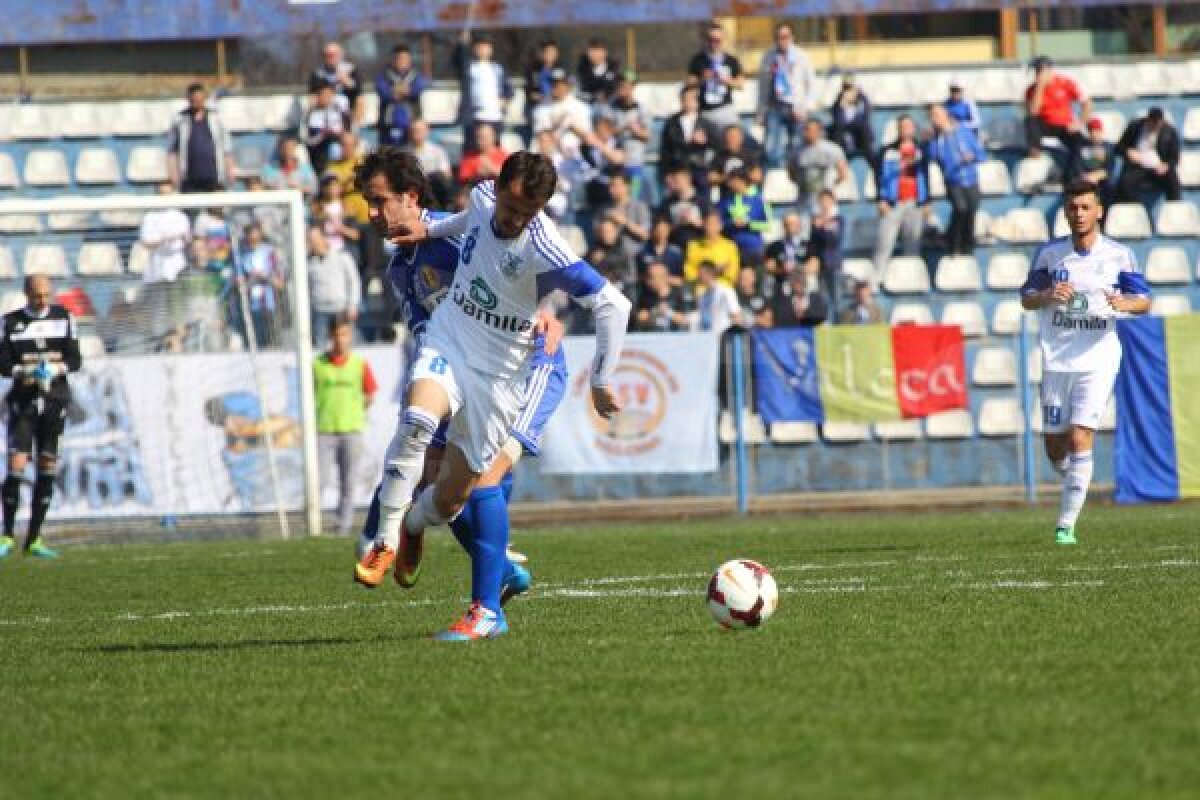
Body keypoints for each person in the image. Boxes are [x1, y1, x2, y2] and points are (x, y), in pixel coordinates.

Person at [360, 152, 631, 640]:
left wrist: (600, 380)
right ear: (497, 188)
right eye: (510, 207)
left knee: (463, 492)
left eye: (526, 214)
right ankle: (389, 540)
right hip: (451, 344)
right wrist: (429, 233)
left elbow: (612, 302)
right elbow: (471, 220)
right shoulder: (481, 199)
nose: (513, 220)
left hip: (514, 374)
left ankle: (429, 535)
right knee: (418, 421)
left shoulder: (545, 244)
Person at [1019, 179, 1150, 545]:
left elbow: (1143, 299)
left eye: (1085, 207)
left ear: (1099, 211)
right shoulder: (1050, 255)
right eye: (1073, 208)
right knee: (1055, 446)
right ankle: (1072, 477)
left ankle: (1066, 525)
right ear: (1065, 211)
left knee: (1081, 436)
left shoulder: (1118, 255)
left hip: (1099, 357)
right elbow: (1026, 298)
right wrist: (1046, 294)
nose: (1079, 214)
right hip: (1057, 359)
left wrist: (1127, 304)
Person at [0, 275, 82, 559]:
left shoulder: (65, 318)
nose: (43, 300)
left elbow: (75, 361)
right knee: (16, 463)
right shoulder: (10, 322)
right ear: (26, 294)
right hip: (23, 401)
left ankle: (34, 538)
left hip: (54, 400)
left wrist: (55, 369)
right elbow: (4, 365)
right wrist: (28, 372)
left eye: (47, 295)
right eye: (37, 295)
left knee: (47, 463)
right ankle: (7, 535)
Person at [313, 316, 377, 535]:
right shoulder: (317, 364)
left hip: (351, 430)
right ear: (331, 337)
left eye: (344, 334)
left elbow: (370, 393)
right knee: (319, 479)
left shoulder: (359, 364)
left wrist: (355, 410)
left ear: (349, 337)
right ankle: (315, 523)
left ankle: (343, 526)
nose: (340, 340)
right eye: (337, 335)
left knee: (348, 480)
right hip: (324, 429)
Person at [874, 115, 930, 282]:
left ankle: (910, 280)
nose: (906, 129)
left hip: (915, 202)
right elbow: (878, 176)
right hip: (893, 203)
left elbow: (926, 176)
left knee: (913, 244)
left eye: (909, 126)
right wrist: (880, 198)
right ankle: (877, 279)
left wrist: (927, 200)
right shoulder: (887, 151)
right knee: (884, 242)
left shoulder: (921, 150)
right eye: (902, 126)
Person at [926, 103, 986, 256]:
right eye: (932, 116)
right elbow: (933, 157)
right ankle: (953, 242)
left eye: (937, 115)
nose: (935, 119)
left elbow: (980, 154)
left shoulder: (963, 131)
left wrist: (971, 156)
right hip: (953, 180)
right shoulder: (936, 139)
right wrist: (933, 138)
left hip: (970, 179)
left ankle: (967, 246)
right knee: (960, 208)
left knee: (971, 211)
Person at [757, 22, 817, 168]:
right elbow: (763, 87)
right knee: (771, 146)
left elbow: (812, 84)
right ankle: (774, 176)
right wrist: (760, 112)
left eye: (785, 37)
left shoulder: (801, 56)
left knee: (796, 145)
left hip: (796, 107)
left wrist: (806, 107)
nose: (782, 40)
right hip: (775, 106)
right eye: (779, 37)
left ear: (792, 37)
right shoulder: (769, 57)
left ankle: (794, 176)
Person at [1025, 56, 1090, 177]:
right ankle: (1035, 150)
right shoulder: (1031, 90)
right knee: (1030, 120)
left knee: (1079, 142)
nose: (1038, 74)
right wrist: (1040, 87)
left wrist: (1080, 122)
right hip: (1044, 126)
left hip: (1064, 126)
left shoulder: (1065, 83)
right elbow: (1033, 111)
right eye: (1036, 71)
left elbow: (1086, 102)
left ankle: (1072, 177)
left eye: (1040, 70)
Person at [166, 83, 235, 193]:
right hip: (189, 177)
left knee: (215, 208)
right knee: (190, 209)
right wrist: (173, 174)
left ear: (204, 98)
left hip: (214, 175)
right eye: (194, 99)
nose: (197, 102)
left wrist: (230, 169)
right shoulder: (180, 119)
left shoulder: (216, 117)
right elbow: (171, 150)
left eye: (200, 99)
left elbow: (227, 146)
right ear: (188, 99)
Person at [1114, 108, 1181, 206]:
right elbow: (1118, 148)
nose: (1154, 126)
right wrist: (1128, 152)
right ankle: (1134, 209)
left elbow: (1174, 157)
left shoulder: (1170, 132)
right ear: (1147, 120)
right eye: (1152, 123)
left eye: (1157, 124)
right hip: (1137, 167)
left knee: (1173, 180)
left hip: (1158, 168)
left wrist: (1166, 165)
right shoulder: (1134, 127)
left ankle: (1174, 209)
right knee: (1126, 181)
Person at [307, 227, 360, 347]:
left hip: (341, 308)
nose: (313, 242)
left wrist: (353, 304)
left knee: (345, 345)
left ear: (323, 238)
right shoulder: (308, 262)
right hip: (319, 310)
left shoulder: (342, 256)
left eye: (315, 239)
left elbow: (353, 281)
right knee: (320, 345)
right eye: (310, 239)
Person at [601, 72, 651, 197]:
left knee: (633, 197)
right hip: (616, 163)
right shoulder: (610, 108)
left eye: (627, 86)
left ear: (633, 87)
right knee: (617, 197)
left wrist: (636, 130)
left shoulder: (641, 109)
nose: (623, 90)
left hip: (635, 163)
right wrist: (623, 128)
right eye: (621, 86)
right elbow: (604, 133)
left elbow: (647, 135)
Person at [687, 22, 744, 132]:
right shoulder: (698, 60)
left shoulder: (731, 60)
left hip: (725, 109)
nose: (714, 43)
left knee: (733, 139)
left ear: (723, 40)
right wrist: (703, 79)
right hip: (704, 110)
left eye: (717, 40)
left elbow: (740, 84)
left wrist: (725, 80)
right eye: (711, 39)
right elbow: (689, 84)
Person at [454, 33, 512, 141]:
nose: (483, 50)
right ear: (474, 49)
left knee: (494, 149)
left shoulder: (497, 68)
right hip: (474, 117)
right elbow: (457, 60)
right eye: (480, 47)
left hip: (495, 116)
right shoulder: (469, 67)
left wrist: (505, 101)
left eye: (486, 47)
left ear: (491, 49)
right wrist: (461, 44)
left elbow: (508, 90)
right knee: (472, 149)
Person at [659, 85, 719, 187]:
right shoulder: (672, 122)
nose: (688, 102)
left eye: (691, 98)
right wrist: (666, 173)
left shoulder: (706, 122)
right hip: (678, 170)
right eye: (685, 99)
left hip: (700, 170)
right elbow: (665, 149)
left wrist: (705, 141)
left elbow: (717, 145)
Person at [236, 223, 284, 348]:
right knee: (253, 339)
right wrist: (244, 280)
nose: (253, 240)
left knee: (271, 338)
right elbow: (238, 278)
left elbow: (279, 280)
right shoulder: (241, 254)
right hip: (249, 304)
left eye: (256, 237)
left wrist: (265, 276)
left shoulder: (269, 252)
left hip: (269, 303)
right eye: (250, 237)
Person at [790, 118, 850, 213]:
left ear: (818, 131)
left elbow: (843, 172)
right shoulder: (797, 151)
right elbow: (792, 172)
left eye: (809, 130)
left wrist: (830, 186)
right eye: (805, 129)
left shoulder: (832, 149)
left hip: (825, 200)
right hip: (804, 199)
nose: (806, 133)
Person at [531, 68, 592, 161]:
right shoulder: (541, 108)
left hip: (575, 155)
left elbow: (587, 137)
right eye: (553, 83)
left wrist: (570, 126)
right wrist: (558, 124)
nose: (556, 87)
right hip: (550, 156)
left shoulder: (581, 107)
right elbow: (541, 136)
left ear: (568, 85)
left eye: (561, 84)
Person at [718, 168, 771, 266]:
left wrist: (749, 224)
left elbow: (767, 225)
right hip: (731, 249)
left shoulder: (758, 201)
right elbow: (717, 224)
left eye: (733, 181)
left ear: (743, 181)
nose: (730, 184)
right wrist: (731, 223)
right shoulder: (724, 202)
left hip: (753, 249)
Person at [375, 44, 427, 148]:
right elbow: (384, 93)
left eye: (405, 59)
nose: (402, 61)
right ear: (393, 59)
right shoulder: (383, 75)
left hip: (411, 126)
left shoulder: (416, 75)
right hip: (388, 125)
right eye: (399, 58)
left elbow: (416, 89)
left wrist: (397, 90)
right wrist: (400, 91)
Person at [309, 41, 363, 127]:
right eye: (327, 55)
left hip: (347, 109)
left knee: (360, 100)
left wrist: (347, 82)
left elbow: (358, 92)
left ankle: (354, 129)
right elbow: (314, 95)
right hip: (325, 109)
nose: (330, 58)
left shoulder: (351, 69)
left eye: (333, 55)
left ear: (340, 55)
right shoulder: (318, 73)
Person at [684, 209, 740, 286]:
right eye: (708, 224)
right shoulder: (693, 245)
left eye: (714, 224)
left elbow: (733, 272)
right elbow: (689, 272)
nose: (711, 227)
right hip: (701, 288)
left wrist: (708, 272)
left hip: (723, 288)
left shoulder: (730, 246)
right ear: (703, 225)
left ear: (720, 226)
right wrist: (715, 271)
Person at [303, 81, 348, 174]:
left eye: (329, 94)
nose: (327, 98)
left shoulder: (338, 110)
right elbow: (306, 139)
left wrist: (340, 134)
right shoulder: (311, 114)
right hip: (318, 149)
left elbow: (348, 130)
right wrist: (322, 135)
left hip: (338, 144)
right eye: (323, 95)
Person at [635, 261, 693, 332]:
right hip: (653, 338)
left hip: (676, 338)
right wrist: (654, 313)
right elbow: (640, 318)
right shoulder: (646, 296)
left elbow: (688, 320)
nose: (648, 281)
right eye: (648, 277)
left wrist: (668, 312)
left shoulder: (679, 295)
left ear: (663, 277)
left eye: (651, 277)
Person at [830, 74, 874, 165]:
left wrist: (856, 99)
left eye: (850, 87)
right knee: (836, 132)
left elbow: (864, 117)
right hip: (844, 134)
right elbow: (838, 121)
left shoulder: (862, 100)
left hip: (860, 135)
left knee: (864, 129)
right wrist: (843, 104)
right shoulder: (838, 102)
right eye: (845, 88)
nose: (847, 90)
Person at [407, 119, 454, 206]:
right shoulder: (404, 153)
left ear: (427, 131)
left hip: (433, 189)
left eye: (419, 130)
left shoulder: (437, 151)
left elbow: (446, 174)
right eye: (413, 130)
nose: (416, 133)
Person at [692, 261, 742, 335]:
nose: (698, 276)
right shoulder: (703, 297)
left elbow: (736, 316)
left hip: (724, 337)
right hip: (708, 338)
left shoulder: (726, 291)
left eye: (700, 273)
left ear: (709, 274)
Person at [524, 40, 562, 131]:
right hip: (537, 106)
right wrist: (541, 97)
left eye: (553, 52)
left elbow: (563, 90)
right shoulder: (533, 69)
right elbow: (530, 92)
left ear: (557, 53)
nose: (550, 54)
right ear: (542, 53)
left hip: (556, 105)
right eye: (547, 52)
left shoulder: (561, 69)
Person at [637, 216, 686, 284]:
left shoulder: (676, 253)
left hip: (672, 291)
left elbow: (682, 280)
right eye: (658, 230)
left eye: (664, 230)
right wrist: (651, 278)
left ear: (669, 230)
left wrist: (663, 279)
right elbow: (639, 276)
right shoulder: (643, 252)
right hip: (647, 291)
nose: (661, 233)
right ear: (653, 230)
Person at [576, 38, 620, 104]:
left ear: (605, 52)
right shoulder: (582, 69)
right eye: (592, 51)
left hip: (610, 105)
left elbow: (616, 87)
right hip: (588, 104)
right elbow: (582, 89)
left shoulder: (614, 68)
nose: (595, 54)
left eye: (598, 51)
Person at [1080, 117, 1114, 190]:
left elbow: (1111, 168)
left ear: (1102, 131)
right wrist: (1086, 176)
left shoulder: (1110, 148)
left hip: (1104, 184)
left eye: (1097, 131)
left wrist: (1097, 176)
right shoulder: (1081, 147)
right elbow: (1077, 166)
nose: (1094, 134)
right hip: (1085, 183)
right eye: (1091, 131)